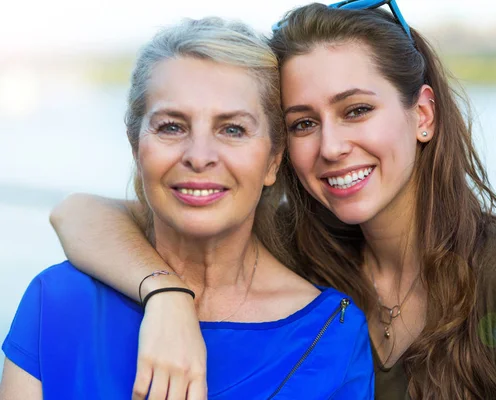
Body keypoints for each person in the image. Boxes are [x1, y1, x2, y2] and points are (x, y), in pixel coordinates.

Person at [42, 1, 496, 399]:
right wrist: (167, 298)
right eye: (304, 122)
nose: (331, 146)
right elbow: (82, 213)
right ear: (281, 148)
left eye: (356, 111)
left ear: (422, 115)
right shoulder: (294, 243)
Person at [0, 17, 375, 400]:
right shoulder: (58, 301)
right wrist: (166, 295)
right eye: (171, 127)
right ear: (135, 146)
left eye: (232, 129)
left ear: (274, 159)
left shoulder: (332, 336)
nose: (199, 157)